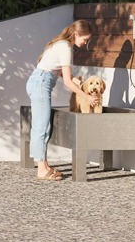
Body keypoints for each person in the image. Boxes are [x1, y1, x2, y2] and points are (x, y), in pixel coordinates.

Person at [25, 18, 93, 183]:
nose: (86, 43)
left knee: (42, 125)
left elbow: (49, 65)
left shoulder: (60, 43)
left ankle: (45, 166)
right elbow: (68, 83)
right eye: (85, 40)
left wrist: (76, 80)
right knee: (42, 127)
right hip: (41, 84)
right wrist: (86, 96)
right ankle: (42, 169)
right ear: (76, 34)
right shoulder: (65, 48)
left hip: (39, 81)